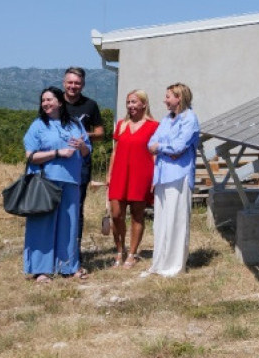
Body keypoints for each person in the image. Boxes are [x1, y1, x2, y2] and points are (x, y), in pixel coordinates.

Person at [22, 86, 91, 282]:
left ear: (60, 102)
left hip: (70, 181)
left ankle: (68, 267)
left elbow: (86, 153)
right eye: (43, 100)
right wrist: (57, 153)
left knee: (68, 227)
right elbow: (31, 156)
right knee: (43, 225)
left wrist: (82, 146)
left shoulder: (75, 124)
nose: (46, 103)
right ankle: (41, 270)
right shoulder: (37, 125)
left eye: (49, 99)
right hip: (45, 182)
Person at [144, 82, 200, 277]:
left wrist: (161, 147)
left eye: (168, 96)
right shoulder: (167, 119)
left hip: (179, 174)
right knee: (161, 221)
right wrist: (163, 147)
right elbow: (152, 142)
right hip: (162, 174)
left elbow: (179, 147)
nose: (164, 100)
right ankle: (159, 263)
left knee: (176, 219)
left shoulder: (190, 120)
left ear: (179, 97)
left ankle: (175, 266)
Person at [106, 89, 158, 269]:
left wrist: (155, 178)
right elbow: (115, 151)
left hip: (141, 174)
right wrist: (109, 174)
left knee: (137, 215)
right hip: (120, 174)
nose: (130, 106)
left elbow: (155, 154)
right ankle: (119, 250)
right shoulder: (121, 124)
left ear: (144, 104)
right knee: (116, 214)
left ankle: (132, 253)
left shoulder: (154, 126)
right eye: (128, 102)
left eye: (134, 102)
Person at [62, 66, 104, 262]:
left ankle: (74, 250)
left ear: (83, 84)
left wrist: (83, 136)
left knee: (76, 207)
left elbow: (101, 133)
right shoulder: (55, 102)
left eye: (77, 83)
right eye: (70, 82)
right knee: (55, 205)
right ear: (64, 83)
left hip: (81, 164)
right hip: (57, 164)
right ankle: (56, 249)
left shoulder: (90, 105)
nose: (73, 86)